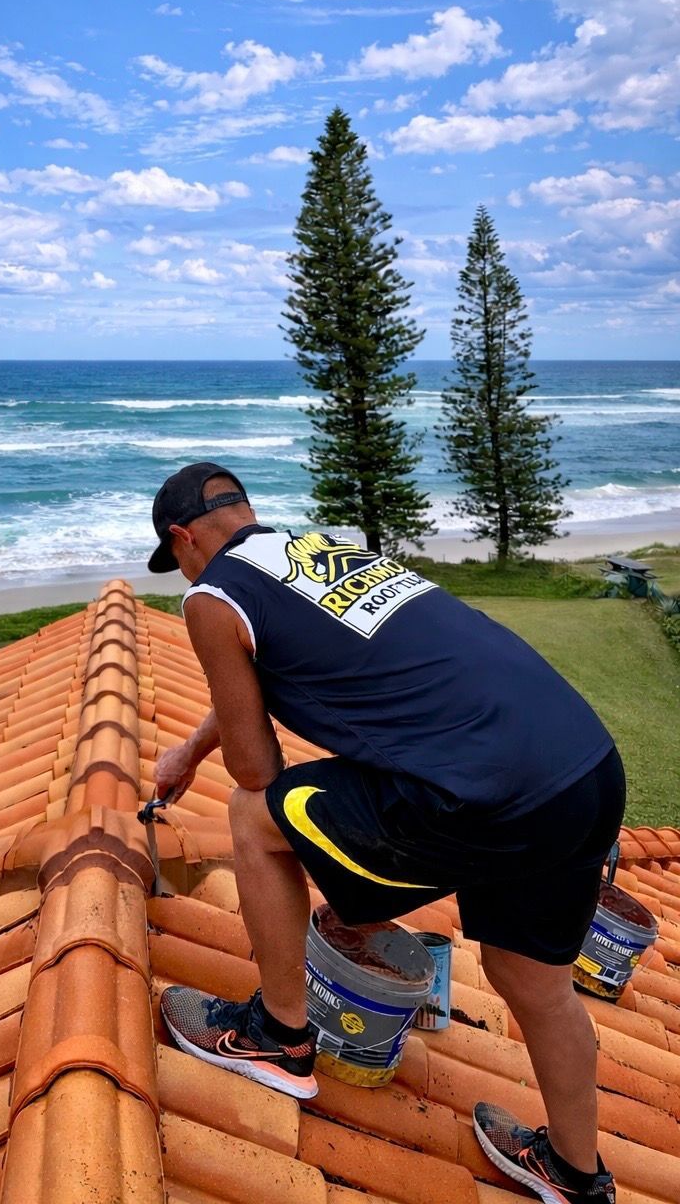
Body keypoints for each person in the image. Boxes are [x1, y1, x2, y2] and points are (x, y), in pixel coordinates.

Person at [150, 462, 625, 1204]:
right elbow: (277, 666)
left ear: (182, 539)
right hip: (583, 771)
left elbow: (255, 767)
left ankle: (279, 1034)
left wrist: (226, 747)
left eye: (174, 560)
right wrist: (189, 748)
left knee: (255, 814)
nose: (181, 574)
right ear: (245, 512)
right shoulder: (316, 551)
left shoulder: (213, 595)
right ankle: (575, 1171)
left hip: (488, 793)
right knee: (533, 981)